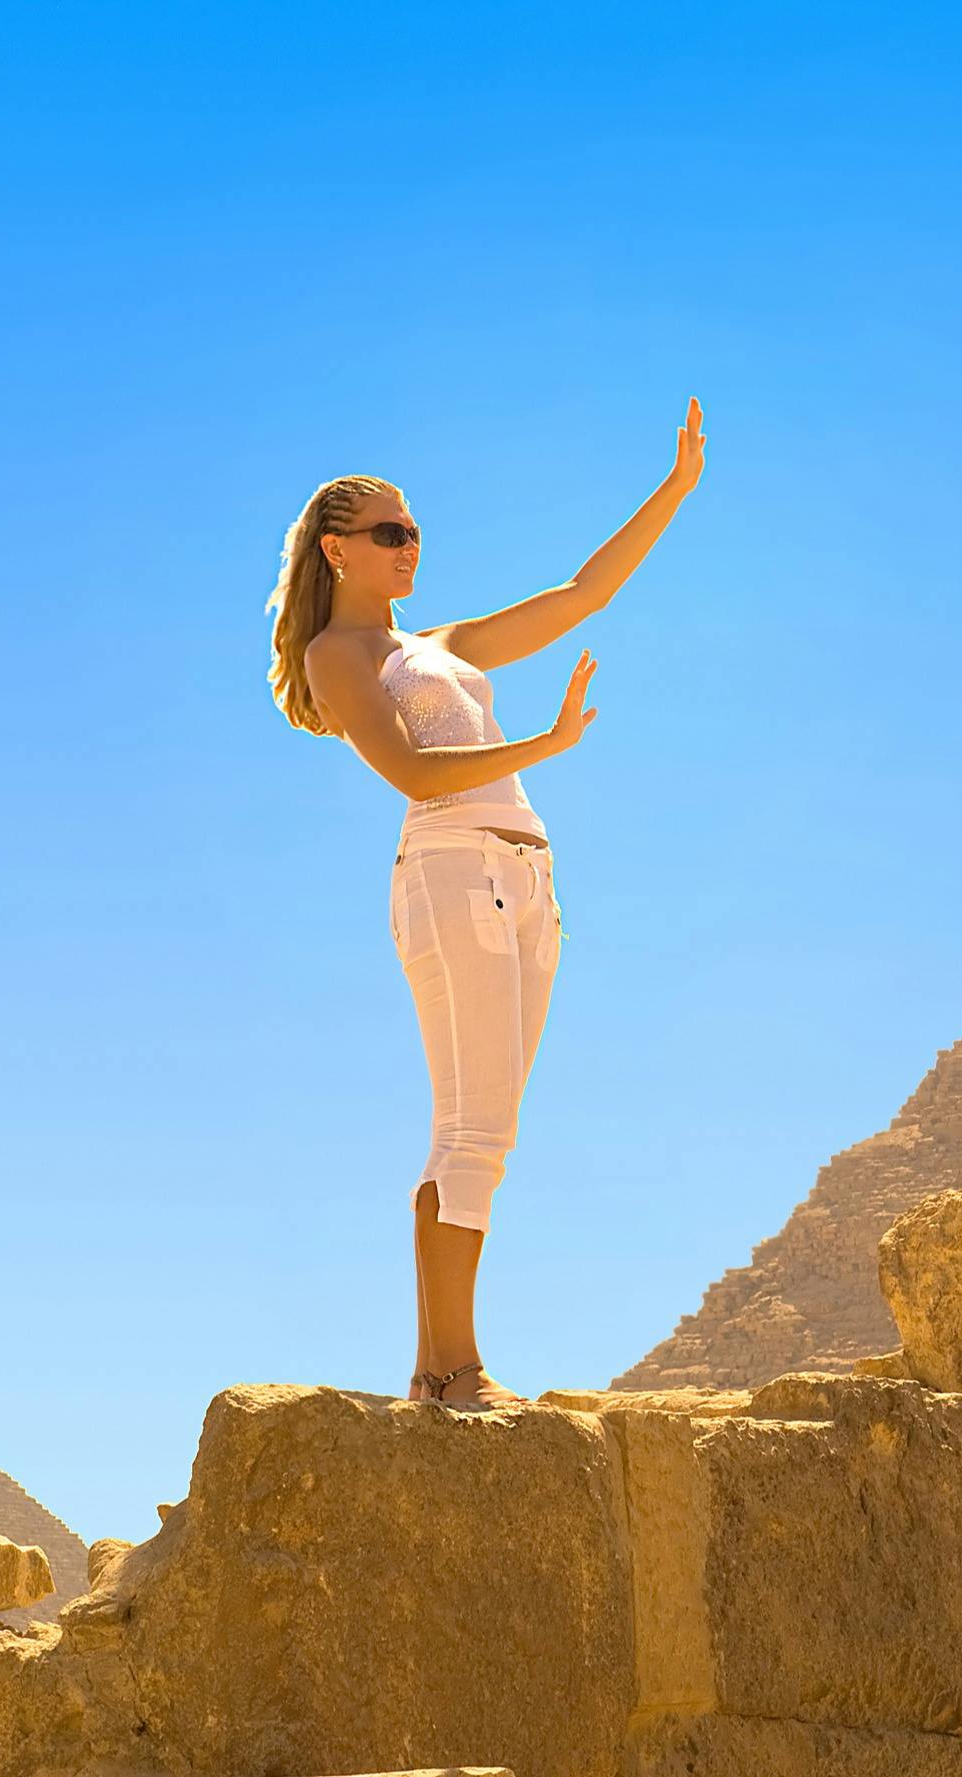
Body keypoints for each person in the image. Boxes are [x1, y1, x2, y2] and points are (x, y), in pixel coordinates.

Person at [264, 398, 706, 1410]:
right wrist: (544, 748)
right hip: (452, 871)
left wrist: (673, 489)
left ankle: (438, 1371)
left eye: (415, 530)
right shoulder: (344, 657)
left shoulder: (442, 644)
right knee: (470, 1127)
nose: (410, 545)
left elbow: (582, 593)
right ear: (337, 550)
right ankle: (453, 1371)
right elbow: (416, 774)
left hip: (525, 882)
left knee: (487, 1132)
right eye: (390, 532)